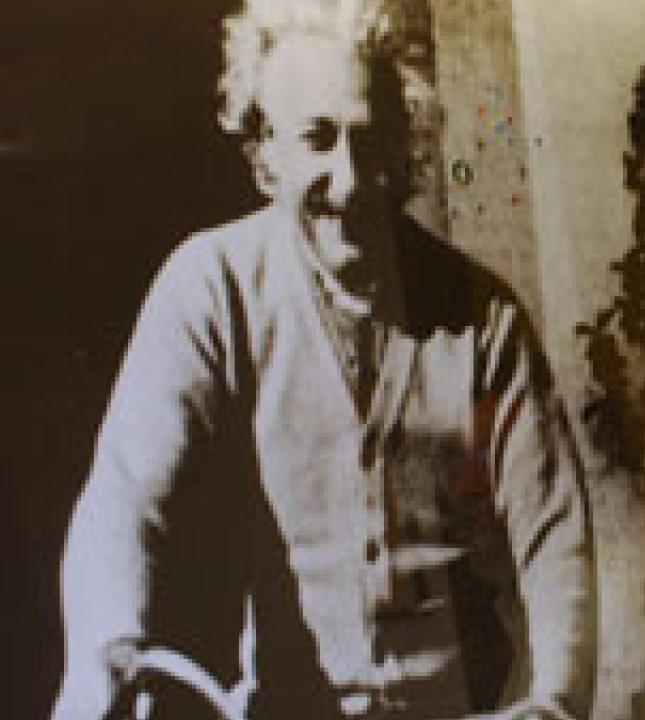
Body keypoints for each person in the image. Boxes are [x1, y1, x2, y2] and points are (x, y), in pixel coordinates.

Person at [51, 1, 594, 718]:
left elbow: (554, 539)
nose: (348, 180)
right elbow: (125, 496)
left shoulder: (482, 320)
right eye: (317, 140)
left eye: (369, 140)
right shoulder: (213, 288)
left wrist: (554, 700)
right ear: (263, 150)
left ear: (404, 144)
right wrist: (108, 651)